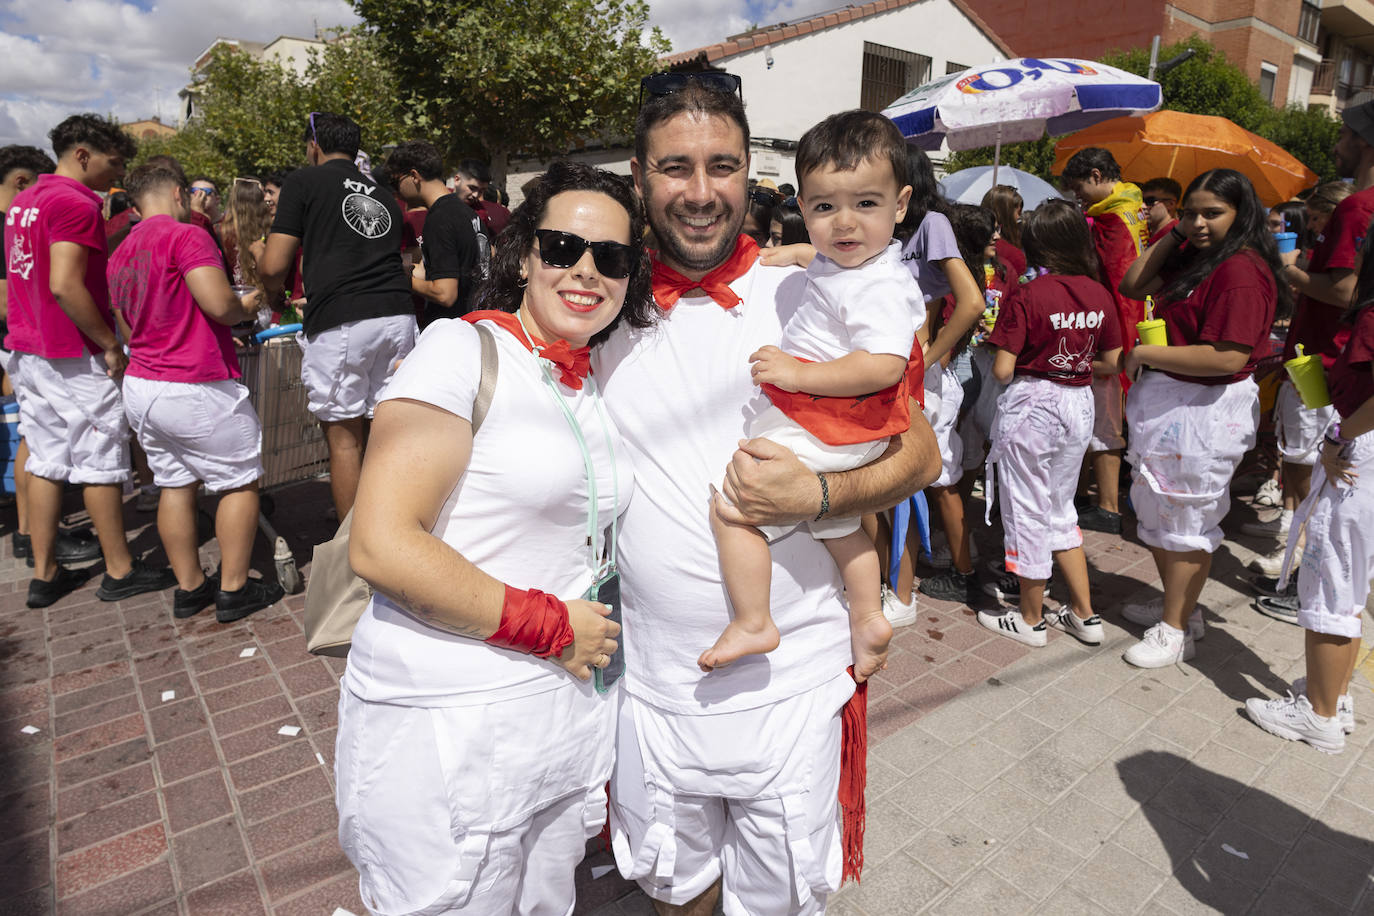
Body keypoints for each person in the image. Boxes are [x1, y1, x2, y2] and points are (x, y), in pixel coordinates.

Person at [598, 71, 939, 914]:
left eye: (723, 165)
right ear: (640, 177)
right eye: (676, 168)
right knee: (674, 890)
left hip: (793, 687)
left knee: (781, 898)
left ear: (751, 171)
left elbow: (921, 455)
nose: (702, 192)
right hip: (653, 684)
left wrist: (817, 500)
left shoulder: (818, 288)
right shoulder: (598, 297)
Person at [338, 160, 650, 913]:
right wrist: (548, 626)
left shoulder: (592, 373)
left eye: (611, 257)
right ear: (523, 256)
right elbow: (382, 544)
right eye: (562, 248)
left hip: (559, 721)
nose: (586, 271)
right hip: (450, 726)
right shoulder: (459, 353)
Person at [701, 109, 918, 678]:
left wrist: (798, 375)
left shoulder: (882, 287)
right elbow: (823, 262)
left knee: (734, 507)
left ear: (901, 205)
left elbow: (884, 365)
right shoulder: (853, 262)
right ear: (803, 210)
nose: (844, 224)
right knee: (838, 525)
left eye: (866, 204)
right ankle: (869, 615)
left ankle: (753, 620)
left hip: (831, 419)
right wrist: (796, 255)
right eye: (825, 208)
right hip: (840, 425)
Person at [2, 113, 175, 608]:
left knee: (47, 457)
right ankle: (120, 570)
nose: (117, 175)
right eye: (113, 163)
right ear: (83, 154)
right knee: (100, 458)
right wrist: (108, 343)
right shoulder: (74, 202)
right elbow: (64, 283)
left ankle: (44, 573)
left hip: (29, 348)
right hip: (70, 352)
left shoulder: (24, 202)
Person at [1118, 168, 1285, 667]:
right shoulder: (1195, 253)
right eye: (1191, 211)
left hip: (1206, 410)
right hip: (1172, 404)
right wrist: (1173, 233)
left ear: (1242, 213)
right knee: (1158, 510)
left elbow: (1227, 357)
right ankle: (1178, 603)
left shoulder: (1241, 271)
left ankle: (1177, 627)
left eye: (1212, 213)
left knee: (1188, 517)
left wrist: (1149, 357)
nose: (1198, 222)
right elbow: (1132, 283)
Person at [107, 165, 285, 622]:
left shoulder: (121, 250)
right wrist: (243, 305)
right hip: (194, 381)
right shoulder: (186, 235)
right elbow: (219, 304)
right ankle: (234, 589)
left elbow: (127, 325)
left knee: (173, 483)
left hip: (144, 383)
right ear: (175, 192)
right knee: (239, 482)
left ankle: (189, 587)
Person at [1243, 235, 1374, 754]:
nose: (1353, 252)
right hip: (1362, 452)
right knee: (1350, 584)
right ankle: (1333, 696)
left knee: (1329, 585)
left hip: (1357, 452)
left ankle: (1317, 714)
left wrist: (1340, 438)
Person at [977, 199, 1123, 646]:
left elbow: (1003, 370)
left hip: (1033, 404)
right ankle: (1085, 613)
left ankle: (1029, 618)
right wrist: (1070, 364)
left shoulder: (1030, 293)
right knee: (1060, 509)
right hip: (1078, 401)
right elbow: (1113, 360)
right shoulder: (1099, 293)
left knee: (1025, 511)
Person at [259, 112, 418, 519]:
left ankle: (354, 542)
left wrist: (271, 290)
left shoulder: (304, 181)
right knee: (385, 430)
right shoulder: (383, 193)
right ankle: (390, 521)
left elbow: (275, 264)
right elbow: (405, 258)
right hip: (398, 315)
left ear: (314, 145)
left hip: (343, 318)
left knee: (344, 438)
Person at [1247, 106, 1374, 596]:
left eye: (1344, 132)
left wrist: (1288, 269)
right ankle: (1297, 553)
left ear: (1363, 140)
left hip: (1324, 362)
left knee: (1310, 466)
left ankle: (1298, 567)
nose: (1337, 141)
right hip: (1331, 361)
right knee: (1310, 465)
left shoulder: (1358, 206)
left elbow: (1344, 291)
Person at [0, 146, 98, 570]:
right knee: (50, 447)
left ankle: (34, 540)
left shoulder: (18, 214)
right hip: (37, 344)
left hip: (24, 343)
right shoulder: (20, 217)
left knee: (36, 444)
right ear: (22, 180)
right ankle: (35, 535)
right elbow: (9, 297)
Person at [898, 147, 984, 608]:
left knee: (930, 482)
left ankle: (953, 573)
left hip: (922, 381)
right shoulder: (897, 229)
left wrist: (930, 357)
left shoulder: (933, 224)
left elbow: (971, 302)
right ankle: (916, 571)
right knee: (904, 483)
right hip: (893, 374)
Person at [1061, 147, 1148, 536]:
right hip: (1133, 324)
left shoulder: (1112, 219)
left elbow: (1117, 286)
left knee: (1106, 422)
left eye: (1079, 187)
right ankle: (1086, 495)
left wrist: (1111, 343)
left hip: (1115, 331)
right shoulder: (1133, 206)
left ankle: (1108, 507)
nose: (1077, 197)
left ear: (1096, 175)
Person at [384, 140, 482, 325]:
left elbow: (445, 294)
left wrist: (403, 280)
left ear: (413, 176)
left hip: (450, 331)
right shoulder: (468, 213)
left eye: (396, 182)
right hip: (474, 322)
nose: (396, 191)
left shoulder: (440, 217)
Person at [980, 184, 1026, 279]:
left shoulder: (966, 241)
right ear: (1006, 214)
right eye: (1018, 212)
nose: (1019, 217)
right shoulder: (1014, 255)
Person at [1140, 176, 1181, 242]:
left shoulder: (1178, 235)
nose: (1143, 206)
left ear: (1170, 204)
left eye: (1150, 201)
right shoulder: (1146, 233)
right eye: (1141, 200)